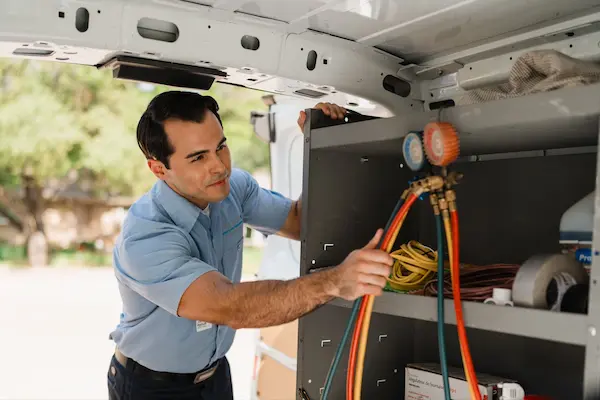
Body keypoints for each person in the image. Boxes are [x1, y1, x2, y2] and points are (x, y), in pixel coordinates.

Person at [106, 91, 394, 400]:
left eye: (221, 147)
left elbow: (300, 222)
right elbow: (230, 306)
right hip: (151, 387)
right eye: (198, 157)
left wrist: (327, 145)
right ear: (159, 169)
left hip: (215, 375)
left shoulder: (232, 189)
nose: (219, 166)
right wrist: (335, 281)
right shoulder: (146, 235)